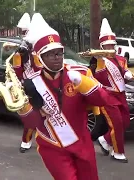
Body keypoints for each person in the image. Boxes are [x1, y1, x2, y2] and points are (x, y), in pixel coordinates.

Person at [16, 13, 121, 180]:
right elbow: (31, 123)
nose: (57, 57)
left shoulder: (79, 73)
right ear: (40, 57)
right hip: (52, 144)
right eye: (50, 54)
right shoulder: (32, 83)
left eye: (59, 52)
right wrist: (28, 105)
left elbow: (104, 100)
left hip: (82, 143)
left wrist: (84, 83)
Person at [94, 18, 134, 163]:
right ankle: (118, 152)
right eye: (107, 45)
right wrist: (100, 61)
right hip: (108, 95)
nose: (110, 47)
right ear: (102, 46)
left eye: (112, 44)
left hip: (121, 94)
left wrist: (129, 75)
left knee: (125, 122)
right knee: (116, 123)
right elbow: (100, 77)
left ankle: (104, 140)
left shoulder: (121, 59)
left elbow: (124, 73)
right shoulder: (99, 59)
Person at [14, 12, 40, 153]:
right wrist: (18, 59)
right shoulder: (20, 51)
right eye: (22, 32)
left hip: (41, 84)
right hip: (27, 86)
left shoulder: (38, 49)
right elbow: (17, 71)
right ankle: (26, 141)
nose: (23, 35)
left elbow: (40, 67)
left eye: (26, 32)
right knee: (31, 115)